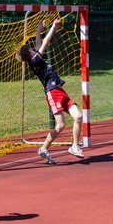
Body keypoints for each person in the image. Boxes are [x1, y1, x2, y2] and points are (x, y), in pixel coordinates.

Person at [16, 19, 84, 164]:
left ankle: (74, 146)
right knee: (60, 125)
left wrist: (39, 30)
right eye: (31, 48)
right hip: (52, 93)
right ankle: (44, 148)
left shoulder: (36, 59)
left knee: (78, 117)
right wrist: (53, 27)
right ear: (29, 52)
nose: (34, 47)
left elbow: (40, 44)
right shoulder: (34, 61)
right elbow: (44, 44)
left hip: (60, 90)